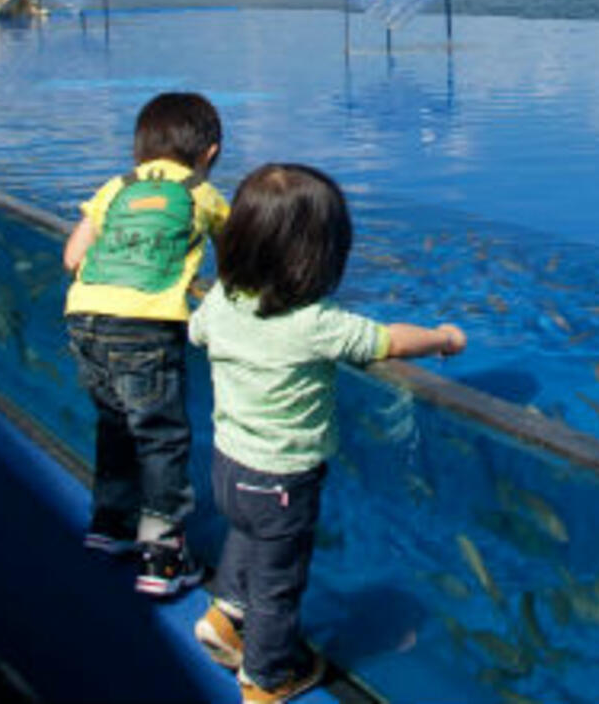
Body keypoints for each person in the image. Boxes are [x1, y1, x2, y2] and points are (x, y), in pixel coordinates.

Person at [188, 164, 466, 704]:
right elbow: (389, 342)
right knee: (279, 583)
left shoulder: (222, 301)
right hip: (282, 480)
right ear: (319, 257)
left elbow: (197, 332)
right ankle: (267, 678)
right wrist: (443, 338)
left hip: (228, 465)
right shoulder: (315, 323)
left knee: (244, 541)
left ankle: (224, 619)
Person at [61, 92, 229, 596]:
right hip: (146, 328)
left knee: (115, 426)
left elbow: (73, 256)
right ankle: (163, 555)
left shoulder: (116, 186)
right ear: (211, 153)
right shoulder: (204, 194)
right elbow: (243, 262)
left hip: (85, 320)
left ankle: (110, 527)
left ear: (140, 148)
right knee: (161, 440)